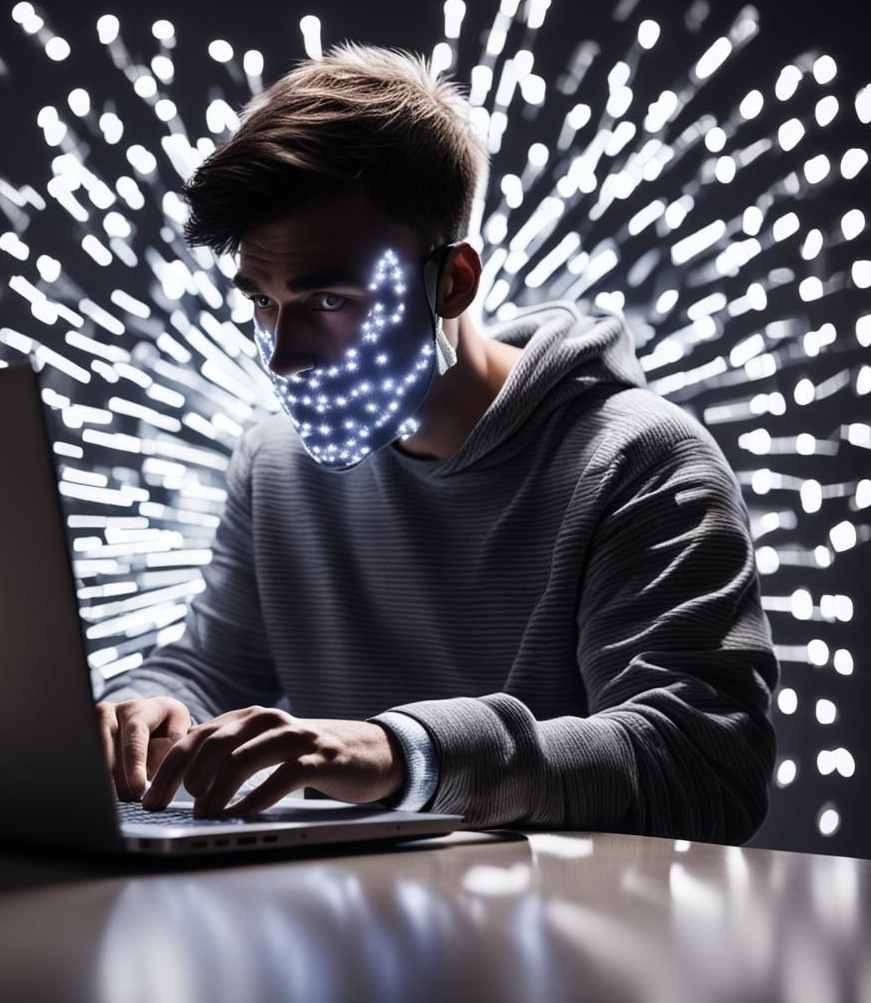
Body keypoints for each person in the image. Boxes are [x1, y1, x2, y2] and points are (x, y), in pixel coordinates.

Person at [96, 44, 779, 844]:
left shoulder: (641, 463)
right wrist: (147, 708)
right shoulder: (275, 463)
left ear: (454, 280)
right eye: (264, 304)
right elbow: (212, 667)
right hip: (332, 908)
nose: (283, 356)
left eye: (328, 300)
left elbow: (703, 769)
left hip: (569, 920)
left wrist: (406, 755)